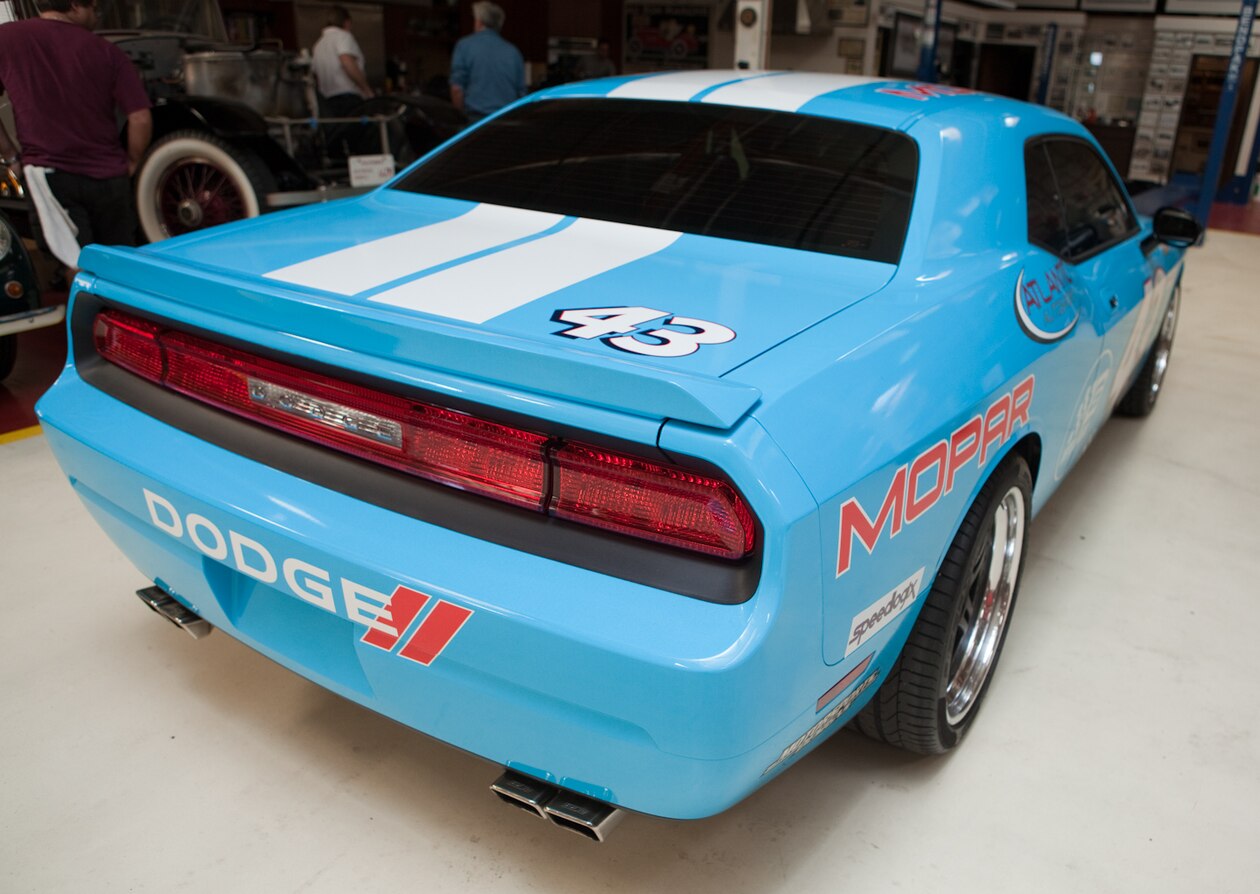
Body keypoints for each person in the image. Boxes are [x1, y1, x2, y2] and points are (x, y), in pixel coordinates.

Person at [0, 0, 152, 266]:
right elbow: (140, 117)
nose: (96, 16)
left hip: (50, 175)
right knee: (119, 263)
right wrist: (132, 162)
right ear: (74, 6)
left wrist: (12, 156)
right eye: (94, 8)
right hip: (110, 179)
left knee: (75, 264)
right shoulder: (107, 51)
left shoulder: (7, 38)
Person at [450, 2, 525, 123]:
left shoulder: (464, 46)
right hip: (506, 120)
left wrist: (459, 118)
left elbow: (457, 89)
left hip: (475, 120)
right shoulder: (513, 52)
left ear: (479, 22)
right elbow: (521, 94)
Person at [312, 6, 373, 118]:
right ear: (347, 22)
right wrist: (366, 89)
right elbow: (347, 61)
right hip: (348, 98)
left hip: (327, 103)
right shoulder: (343, 36)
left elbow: (315, 75)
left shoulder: (318, 45)